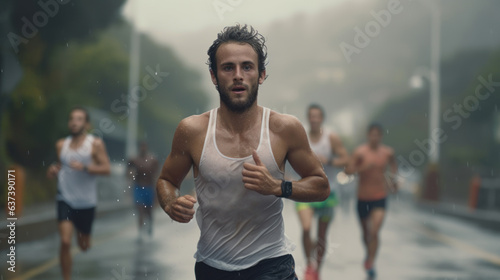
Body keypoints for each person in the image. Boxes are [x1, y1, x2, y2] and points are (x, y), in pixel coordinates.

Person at [156, 24, 330, 280]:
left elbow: (321, 186)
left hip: (272, 264)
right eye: (228, 67)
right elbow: (167, 180)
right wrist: (171, 203)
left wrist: (278, 187)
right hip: (212, 266)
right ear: (214, 76)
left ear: (261, 75)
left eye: (247, 67)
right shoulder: (192, 131)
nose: (238, 75)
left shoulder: (284, 128)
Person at [47, 106, 111, 280]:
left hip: (86, 202)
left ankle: (81, 234)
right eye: (71, 119)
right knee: (65, 242)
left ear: (87, 124)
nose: (74, 122)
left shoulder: (95, 144)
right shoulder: (62, 144)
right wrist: (53, 170)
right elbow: (60, 166)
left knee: (84, 246)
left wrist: (84, 167)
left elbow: (106, 169)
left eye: (79, 119)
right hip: (65, 199)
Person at [296, 104, 349, 280]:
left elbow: (346, 159)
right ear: (308, 118)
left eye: (317, 116)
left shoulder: (331, 138)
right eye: (311, 116)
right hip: (304, 190)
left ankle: (317, 268)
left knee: (321, 235)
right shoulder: (301, 136)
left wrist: (329, 160)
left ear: (322, 119)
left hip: (328, 193)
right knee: (306, 228)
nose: (314, 119)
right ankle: (309, 266)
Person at [345, 123, 398, 279]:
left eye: (377, 135)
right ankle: (368, 254)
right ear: (368, 136)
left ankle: (371, 262)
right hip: (363, 197)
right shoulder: (360, 152)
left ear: (381, 136)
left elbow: (393, 166)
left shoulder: (387, 152)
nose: (375, 137)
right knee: (366, 233)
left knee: (374, 231)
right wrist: (363, 168)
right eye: (372, 134)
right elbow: (348, 170)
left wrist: (393, 179)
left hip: (380, 196)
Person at [127, 141, 159, 238]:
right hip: (138, 187)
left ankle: (150, 225)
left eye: (144, 147)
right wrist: (130, 176)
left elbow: (156, 175)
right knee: (140, 209)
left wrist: (157, 192)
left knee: (149, 211)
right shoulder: (134, 160)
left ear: (147, 148)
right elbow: (128, 172)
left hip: (149, 187)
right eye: (141, 147)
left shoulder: (152, 160)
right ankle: (140, 231)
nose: (143, 149)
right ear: (139, 148)